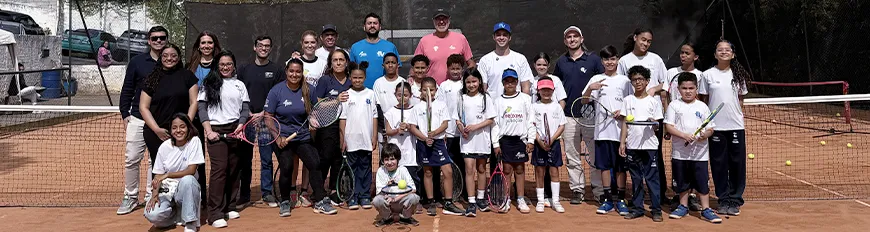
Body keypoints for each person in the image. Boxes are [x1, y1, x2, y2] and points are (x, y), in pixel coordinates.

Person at [265, 59, 335, 216]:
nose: (294, 74)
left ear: (301, 73)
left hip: (302, 136)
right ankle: (284, 201)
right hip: (283, 138)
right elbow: (268, 116)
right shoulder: (277, 91)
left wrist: (314, 120)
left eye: (297, 71)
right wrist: (277, 137)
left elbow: (314, 110)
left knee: (315, 163)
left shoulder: (309, 89)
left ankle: (320, 200)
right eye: (291, 71)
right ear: (286, 72)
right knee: (287, 166)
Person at [138, 44, 199, 214]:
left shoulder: (187, 76)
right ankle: (160, 201)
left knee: (186, 167)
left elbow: (194, 102)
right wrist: (157, 129)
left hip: (181, 132)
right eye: (165, 55)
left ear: (179, 58)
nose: (169, 58)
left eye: (173, 55)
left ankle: (186, 204)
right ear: (161, 57)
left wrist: (186, 126)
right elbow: (144, 107)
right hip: (156, 132)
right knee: (159, 168)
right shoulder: (152, 78)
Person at [118, 25, 169, 215]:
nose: (158, 41)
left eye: (162, 38)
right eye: (154, 38)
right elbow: (127, 89)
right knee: (132, 159)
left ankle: (150, 194)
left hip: (162, 121)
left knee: (155, 161)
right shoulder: (137, 62)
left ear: (166, 40)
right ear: (149, 41)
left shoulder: (170, 61)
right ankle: (130, 197)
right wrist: (125, 114)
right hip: (138, 119)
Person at [552, 26, 605, 205]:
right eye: (569, 37)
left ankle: (598, 190)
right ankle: (577, 190)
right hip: (568, 116)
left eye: (575, 36)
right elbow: (556, 87)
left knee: (594, 155)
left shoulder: (594, 60)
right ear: (565, 41)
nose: (572, 39)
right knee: (572, 155)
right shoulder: (561, 62)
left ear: (582, 39)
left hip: (591, 115)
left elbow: (603, 83)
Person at [198, 50, 250, 228]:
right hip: (216, 131)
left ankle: (230, 206)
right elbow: (202, 109)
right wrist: (208, 130)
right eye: (222, 64)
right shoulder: (208, 84)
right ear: (217, 66)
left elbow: (244, 109)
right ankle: (215, 213)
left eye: (229, 64)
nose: (225, 67)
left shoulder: (239, 85)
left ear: (233, 65)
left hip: (236, 129)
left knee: (234, 168)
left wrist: (241, 125)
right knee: (219, 170)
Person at [617, 28, 669, 204]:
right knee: (634, 158)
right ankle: (636, 197)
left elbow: (666, 82)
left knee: (655, 155)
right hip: (632, 113)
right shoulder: (624, 61)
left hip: (653, 114)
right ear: (635, 38)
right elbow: (622, 85)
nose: (645, 43)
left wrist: (655, 88)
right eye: (643, 39)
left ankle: (659, 196)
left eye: (649, 41)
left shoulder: (656, 59)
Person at [698, 40, 750, 217]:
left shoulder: (738, 75)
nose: (724, 52)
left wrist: (735, 115)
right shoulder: (707, 75)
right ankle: (723, 199)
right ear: (715, 54)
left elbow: (740, 99)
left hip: (736, 126)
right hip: (715, 128)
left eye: (727, 50)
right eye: (720, 49)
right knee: (719, 164)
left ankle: (735, 199)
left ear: (733, 54)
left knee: (737, 164)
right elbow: (703, 100)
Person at [665, 72, 722, 223]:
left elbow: (711, 129)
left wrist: (705, 135)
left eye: (691, 88)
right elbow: (669, 127)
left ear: (696, 89)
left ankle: (706, 209)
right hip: (680, 153)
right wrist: (684, 135)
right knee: (682, 182)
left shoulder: (702, 106)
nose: (688, 91)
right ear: (679, 89)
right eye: (684, 88)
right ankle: (683, 206)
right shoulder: (674, 105)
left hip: (700, 155)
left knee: (702, 182)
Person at [581, 45, 632, 216]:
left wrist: (622, 112)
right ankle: (607, 200)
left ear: (617, 59)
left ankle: (621, 200)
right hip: (602, 132)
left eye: (612, 59)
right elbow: (584, 101)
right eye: (606, 59)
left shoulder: (625, 81)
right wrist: (590, 88)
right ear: (602, 61)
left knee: (620, 168)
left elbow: (631, 103)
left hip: (621, 133)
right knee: (604, 167)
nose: (609, 62)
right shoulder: (596, 79)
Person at [237, 35, 285, 208]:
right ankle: (244, 195)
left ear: (270, 49)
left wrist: (263, 113)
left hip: (267, 120)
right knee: (245, 159)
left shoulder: (277, 70)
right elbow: (239, 93)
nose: (264, 48)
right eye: (260, 45)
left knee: (266, 159)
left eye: (267, 46)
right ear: (254, 47)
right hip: (247, 120)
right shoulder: (244, 69)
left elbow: (279, 95)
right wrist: (248, 113)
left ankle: (267, 193)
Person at [408, 77, 464, 216]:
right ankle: (431, 201)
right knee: (428, 172)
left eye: (431, 90)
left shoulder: (441, 105)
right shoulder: (417, 107)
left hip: (438, 142)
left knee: (447, 171)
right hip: (424, 143)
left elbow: (445, 124)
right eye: (425, 90)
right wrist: (424, 137)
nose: (428, 93)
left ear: (436, 91)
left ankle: (448, 202)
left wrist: (434, 134)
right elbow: (412, 127)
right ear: (420, 91)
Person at [143, 113, 205, 232]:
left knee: (188, 180)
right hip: (167, 190)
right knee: (152, 215)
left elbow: (191, 170)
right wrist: (154, 194)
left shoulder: (194, 141)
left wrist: (167, 175)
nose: (178, 130)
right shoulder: (164, 147)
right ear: (170, 130)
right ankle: (175, 216)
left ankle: (190, 221)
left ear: (188, 128)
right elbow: (158, 176)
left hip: (185, 189)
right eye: (174, 127)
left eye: (182, 126)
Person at [618, 66, 664, 221]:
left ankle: (656, 210)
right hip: (633, 146)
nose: (637, 82)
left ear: (647, 81)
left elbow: (658, 125)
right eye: (634, 80)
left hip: (650, 147)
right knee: (636, 178)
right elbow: (625, 122)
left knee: (652, 179)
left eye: (640, 79)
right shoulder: (627, 100)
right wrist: (622, 142)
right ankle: (637, 208)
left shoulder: (653, 102)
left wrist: (654, 123)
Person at [664, 42, 703, 211]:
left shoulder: (701, 75)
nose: (683, 56)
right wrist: (667, 122)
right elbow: (665, 96)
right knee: (678, 159)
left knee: (694, 159)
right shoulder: (672, 72)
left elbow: (703, 99)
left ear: (695, 57)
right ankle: (679, 194)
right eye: (682, 52)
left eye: (687, 53)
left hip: (695, 123)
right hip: (675, 123)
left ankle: (692, 195)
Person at [491, 69, 535, 213]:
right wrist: (496, 144)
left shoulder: (525, 99)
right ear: (503, 83)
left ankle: (521, 199)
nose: (510, 84)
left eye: (513, 81)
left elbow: (531, 121)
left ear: (517, 82)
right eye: (507, 81)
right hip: (505, 141)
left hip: (520, 140)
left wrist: (531, 140)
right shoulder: (497, 101)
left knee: (520, 169)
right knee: (507, 169)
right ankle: (506, 199)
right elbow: (495, 124)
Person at [313, 49, 353, 205]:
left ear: (346, 62)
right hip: (327, 126)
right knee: (325, 158)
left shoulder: (352, 80)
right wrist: (336, 100)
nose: (338, 63)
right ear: (330, 63)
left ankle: (335, 191)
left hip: (347, 125)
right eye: (335, 60)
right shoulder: (325, 80)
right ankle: (319, 192)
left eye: (341, 60)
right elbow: (318, 104)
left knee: (340, 157)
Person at [339, 61, 379, 210]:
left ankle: (364, 196)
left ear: (365, 77)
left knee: (365, 168)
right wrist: (343, 139)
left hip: (366, 140)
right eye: (355, 78)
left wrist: (374, 136)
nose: (357, 80)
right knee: (352, 169)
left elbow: (374, 116)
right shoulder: (345, 95)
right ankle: (353, 197)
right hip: (351, 140)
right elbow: (342, 119)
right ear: (350, 77)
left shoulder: (370, 93)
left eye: (360, 78)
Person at [456, 68, 495, 217]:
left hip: (482, 140)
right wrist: (461, 128)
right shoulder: (461, 98)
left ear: (479, 82)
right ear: (464, 83)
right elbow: (457, 118)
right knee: (469, 169)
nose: (471, 85)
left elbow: (491, 119)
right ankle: (471, 202)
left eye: (474, 81)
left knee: (481, 169)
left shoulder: (486, 98)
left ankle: (480, 199)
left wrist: (475, 127)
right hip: (467, 141)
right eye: (468, 82)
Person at [531, 78, 566, 213]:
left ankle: (555, 201)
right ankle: (540, 200)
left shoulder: (557, 106)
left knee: (554, 171)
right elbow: (531, 126)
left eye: (549, 90)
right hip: (539, 143)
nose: (546, 92)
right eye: (543, 89)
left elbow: (561, 125)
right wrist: (539, 140)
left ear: (553, 91)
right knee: (539, 172)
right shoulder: (533, 106)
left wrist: (552, 139)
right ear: (538, 91)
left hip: (554, 143)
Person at [414, 9, 475, 83]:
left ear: (449, 20)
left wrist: (465, 78)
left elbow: (471, 64)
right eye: (438, 19)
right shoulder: (424, 41)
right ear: (433, 21)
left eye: (444, 19)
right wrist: (411, 77)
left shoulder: (461, 38)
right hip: (432, 90)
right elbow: (415, 65)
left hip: (455, 89)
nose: (441, 22)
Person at [437, 54, 466, 201]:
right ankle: (452, 191)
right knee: (449, 163)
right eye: (452, 68)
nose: (455, 71)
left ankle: (464, 192)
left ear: (462, 69)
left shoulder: (466, 84)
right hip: (448, 133)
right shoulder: (443, 86)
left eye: (458, 68)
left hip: (464, 134)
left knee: (463, 163)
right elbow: (441, 108)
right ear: (448, 69)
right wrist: (444, 131)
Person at [478, 22, 533, 96]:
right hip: (493, 105)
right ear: (493, 37)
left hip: (516, 105)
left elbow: (526, 86)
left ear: (510, 37)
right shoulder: (485, 60)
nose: (501, 37)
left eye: (505, 35)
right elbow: (482, 87)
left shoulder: (520, 59)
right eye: (498, 35)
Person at [372, 144, 421, 227]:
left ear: (398, 159)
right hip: (388, 202)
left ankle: (405, 217)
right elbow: (379, 192)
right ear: (383, 160)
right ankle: (387, 217)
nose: (389, 162)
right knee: (376, 200)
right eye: (386, 159)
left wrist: (396, 198)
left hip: (402, 201)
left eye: (392, 159)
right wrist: (387, 187)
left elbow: (413, 189)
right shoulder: (380, 171)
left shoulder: (403, 170)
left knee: (415, 197)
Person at [350, 13, 401, 88]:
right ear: (364, 27)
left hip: (384, 91)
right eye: (369, 23)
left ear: (380, 27)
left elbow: (396, 70)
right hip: (362, 92)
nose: (372, 26)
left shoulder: (390, 47)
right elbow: (351, 71)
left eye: (375, 23)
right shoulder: (355, 47)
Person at [383, 82, 418, 192]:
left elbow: (418, 129)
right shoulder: (390, 112)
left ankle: (415, 198)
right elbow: (388, 131)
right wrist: (398, 130)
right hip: (396, 146)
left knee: (412, 174)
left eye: (405, 95)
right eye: (399, 95)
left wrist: (409, 127)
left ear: (411, 95)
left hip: (411, 148)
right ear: (395, 95)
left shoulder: (415, 110)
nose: (402, 98)